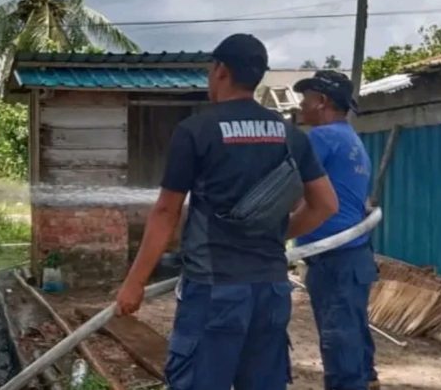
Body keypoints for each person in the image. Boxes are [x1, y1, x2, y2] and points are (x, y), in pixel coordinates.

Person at [115, 33, 339, 390]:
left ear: (220, 70)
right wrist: (279, 233)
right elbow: (326, 205)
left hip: (214, 291)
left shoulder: (196, 131)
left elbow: (165, 213)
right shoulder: (290, 134)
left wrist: (135, 283)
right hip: (270, 289)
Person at [294, 70, 380, 390]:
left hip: (333, 258)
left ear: (322, 101)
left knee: (339, 345)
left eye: (306, 98)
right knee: (354, 337)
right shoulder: (351, 139)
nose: (302, 106)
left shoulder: (321, 138)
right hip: (354, 256)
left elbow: (290, 188)